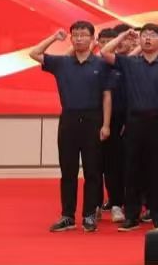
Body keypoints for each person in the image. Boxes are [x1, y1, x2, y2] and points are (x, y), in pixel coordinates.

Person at [29, 22, 111, 233]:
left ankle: (89, 215)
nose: (79, 39)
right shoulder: (62, 63)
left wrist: (106, 124)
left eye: (83, 35)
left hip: (93, 119)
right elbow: (34, 53)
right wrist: (53, 38)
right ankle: (67, 216)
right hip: (69, 120)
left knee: (93, 171)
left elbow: (106, 96)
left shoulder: (101, 64)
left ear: (92, 39)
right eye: (75, 35)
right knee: (68, 171)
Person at [101, 24, 158, 230]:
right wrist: (123, 35)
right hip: (134, 122)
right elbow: (105, 52)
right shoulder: (130, 63)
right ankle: (132, 216)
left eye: (152, 35)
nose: (147, 39)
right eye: (144, 35)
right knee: (132, 170)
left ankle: (157, 216)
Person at [96, 27, 128, 223]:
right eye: (103, 41)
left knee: (114, 164)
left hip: (118, 121)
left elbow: (131, 96)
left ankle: (117, 203)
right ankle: (95, 205)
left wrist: (126, 121)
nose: (106, 44)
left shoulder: (122, 65)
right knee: (95, 165)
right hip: (93, 119)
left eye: (110, 41)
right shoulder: (91, 64)